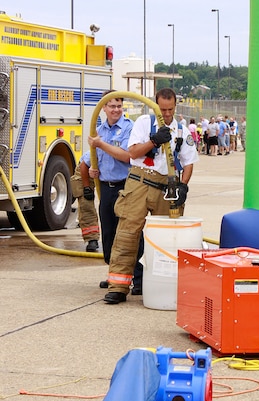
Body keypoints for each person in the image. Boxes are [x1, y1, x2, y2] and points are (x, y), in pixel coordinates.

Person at [103, 87, 198, 304]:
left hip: (166, 187)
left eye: (170, 109)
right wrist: (154, 141)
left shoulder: (181, 131)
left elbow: (189, 162)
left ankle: (159, 285)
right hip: (139, 182)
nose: (166, 114)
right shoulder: (144, 124)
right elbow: (133, 153)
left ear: (175, 107)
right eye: (162, 109)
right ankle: (118, 286)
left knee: (165, 240)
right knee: (127, 234)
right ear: (155, 105)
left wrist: (183, 186)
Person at [86, 92, 144, 294]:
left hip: (126, 188)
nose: (116, 110)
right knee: (109, 234)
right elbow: (91, 158)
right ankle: (116, 277)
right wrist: (92, 169)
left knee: (129, 234)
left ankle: (138, 279)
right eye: (111, 106)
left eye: (119, 105)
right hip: (106, 188)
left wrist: (101, 144)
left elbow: (129, 156)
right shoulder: (99, 130)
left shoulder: (130, 129)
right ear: (104, 108)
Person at [71, 153, 100, 252]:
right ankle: (92, 239)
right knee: (86, 205)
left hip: (110, 173)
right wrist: (86, 187)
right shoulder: (98, 150)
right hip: (85, 172)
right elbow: (84, 166)